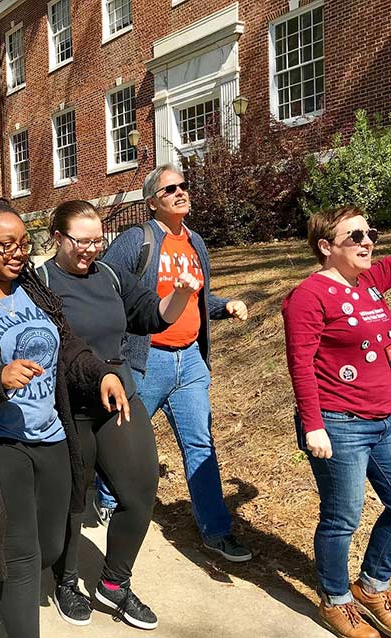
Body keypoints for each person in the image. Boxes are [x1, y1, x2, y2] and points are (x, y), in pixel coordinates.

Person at [0, 199, 130, 638]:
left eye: (24, 243)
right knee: (21, 559)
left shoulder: (35, 291)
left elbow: (69, 347)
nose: (19, 252)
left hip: (51, 437)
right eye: (6, 244)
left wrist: (101, 374)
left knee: (50, 548)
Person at [282, 173, 391, 638]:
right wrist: (313, 426)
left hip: (387, 422)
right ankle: (335, 597)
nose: (368, 243)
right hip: (337, 423)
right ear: (326, 246)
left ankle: (371, 584)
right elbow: (301, 365)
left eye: (370, 234)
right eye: (356, 236)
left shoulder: (370, 282)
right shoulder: (308, 296)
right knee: (342, 516)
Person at [37, 200, 201, 629]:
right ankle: (67, 581)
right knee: (73, 498)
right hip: (68, 403)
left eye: (97, 240)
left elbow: (150, 314)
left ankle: (115, 583)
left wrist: (181, 294)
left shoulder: (110, 274)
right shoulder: (39, 282)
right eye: (81, 241)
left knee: (140, 488)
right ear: (57, 238)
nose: (91, 249)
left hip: (119, 397)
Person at [102, 163, 252, 562]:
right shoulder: (138, 240)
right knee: (121, 436)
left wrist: (224, 307)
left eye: (183, 186)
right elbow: (107, 284)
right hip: (146, 360)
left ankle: (216, 532)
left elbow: (198, 298)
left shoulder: (196, 243)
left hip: (190, 362)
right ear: (152, 201)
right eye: (169, 189)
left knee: (200, 444)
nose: (180, 193)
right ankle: (101, 498)